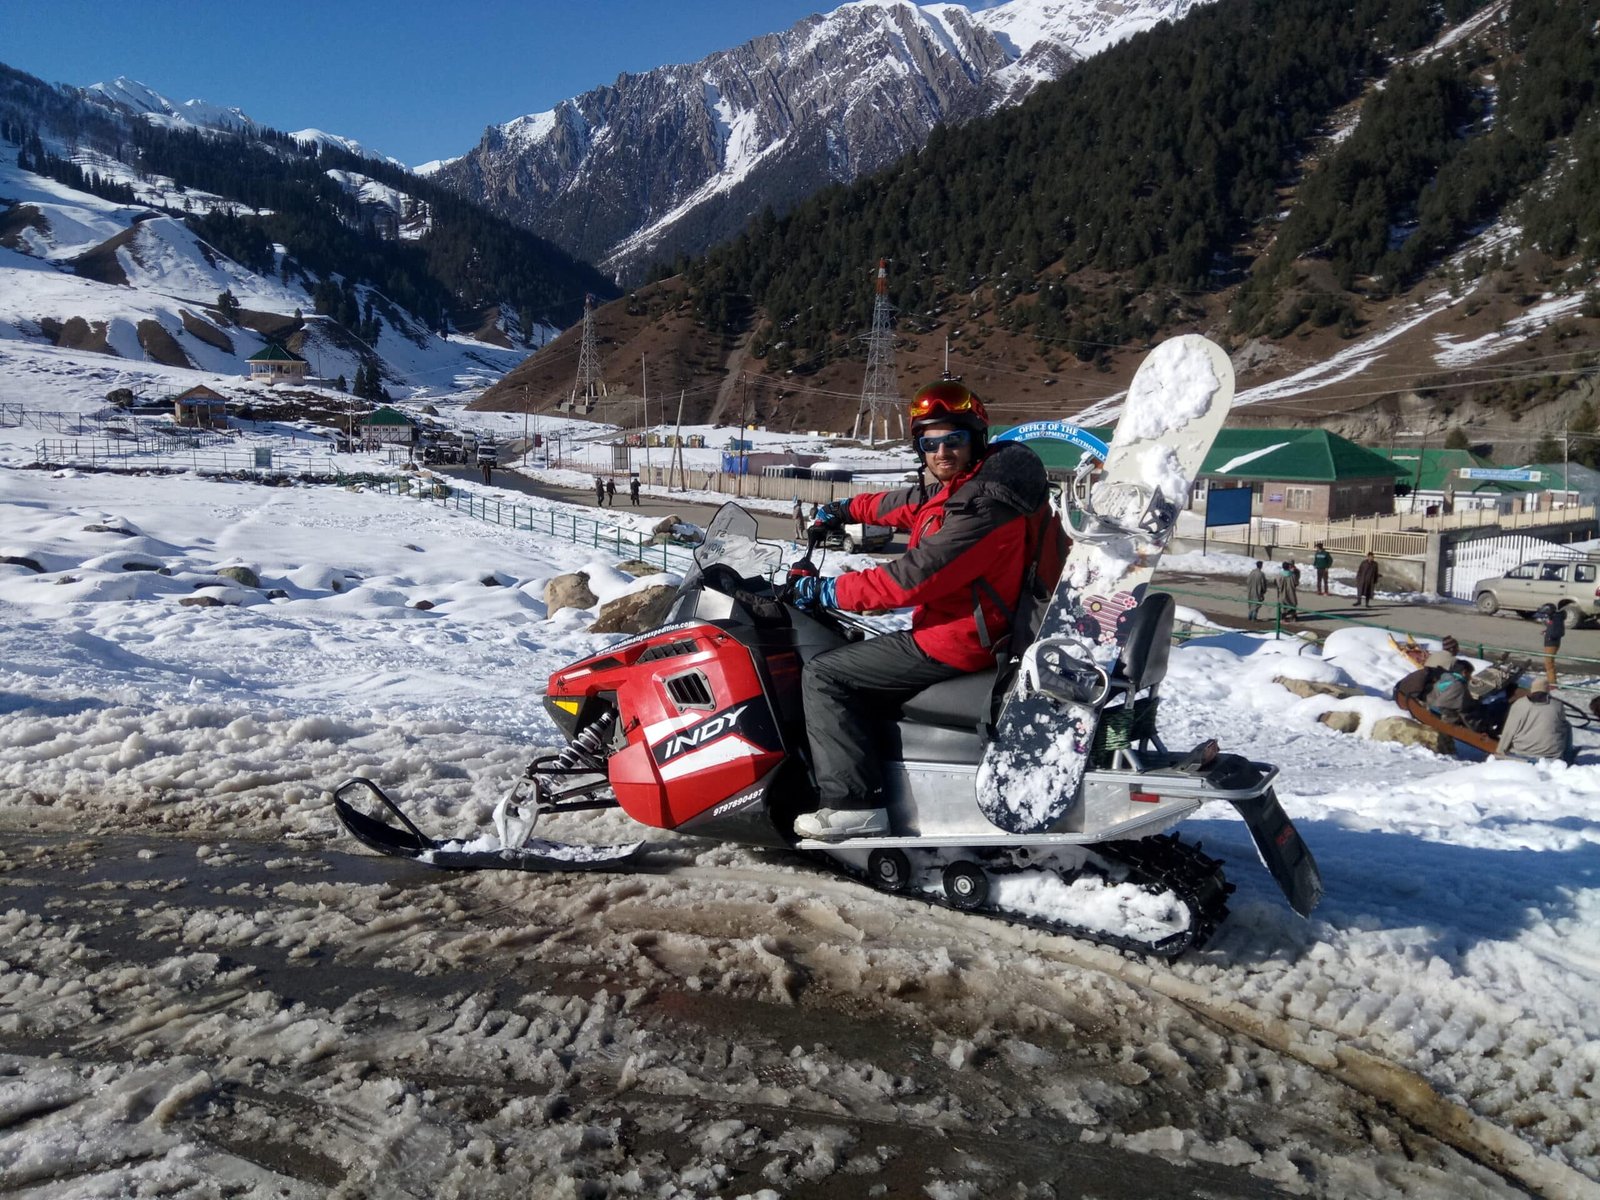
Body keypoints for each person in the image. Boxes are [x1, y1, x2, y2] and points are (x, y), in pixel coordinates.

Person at [788, 380, 1051, 841]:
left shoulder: (982, 510)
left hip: (958, 641)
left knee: (825, 674)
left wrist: (825, 591)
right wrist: (846, 508)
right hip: (961, 630)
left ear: (976, 440)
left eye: (954, 439)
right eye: (930, 444)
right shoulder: (969, 488)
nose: (942, 452)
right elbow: (909, 505)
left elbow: (909, 579)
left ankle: (854, 805)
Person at [1497, 678, 1574, 762]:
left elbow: (1509, 731)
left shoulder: (1519, 704)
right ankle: (1566, 759)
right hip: (1551, 754)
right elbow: (1561, 726)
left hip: (1521, 752)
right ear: (1547, 690)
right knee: (1567, 725)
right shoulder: (1557, 705)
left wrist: (1500, 751)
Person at [1537, 604, 1565, 687]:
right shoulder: (1553, 618)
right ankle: (1551, 682)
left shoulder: (1556, 619)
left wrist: (1550, 636)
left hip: (1552, 644)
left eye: (1545, 614)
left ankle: (1552, 684)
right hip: (1549, 642)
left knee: (1549, 663)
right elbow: (1552, 628)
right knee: (1548, 663)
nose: (1545, 616)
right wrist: (1546, 631)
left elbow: (1560, 632)